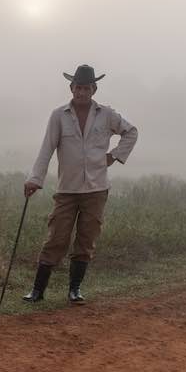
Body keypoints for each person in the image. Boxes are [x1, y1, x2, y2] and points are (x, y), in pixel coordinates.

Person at [22, 64, 138, 303]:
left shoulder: (106, 114)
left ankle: (75, 290)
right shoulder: (59, 115)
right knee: (56, 238)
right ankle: (38, 291)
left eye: (86, 88)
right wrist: (35, 179)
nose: (81, 92)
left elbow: (131, 131)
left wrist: (114, 155)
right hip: (67, 189)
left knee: (86, 239)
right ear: (71, 88)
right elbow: (47, 148)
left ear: (94, 89)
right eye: (78, 87)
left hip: (96, 189)